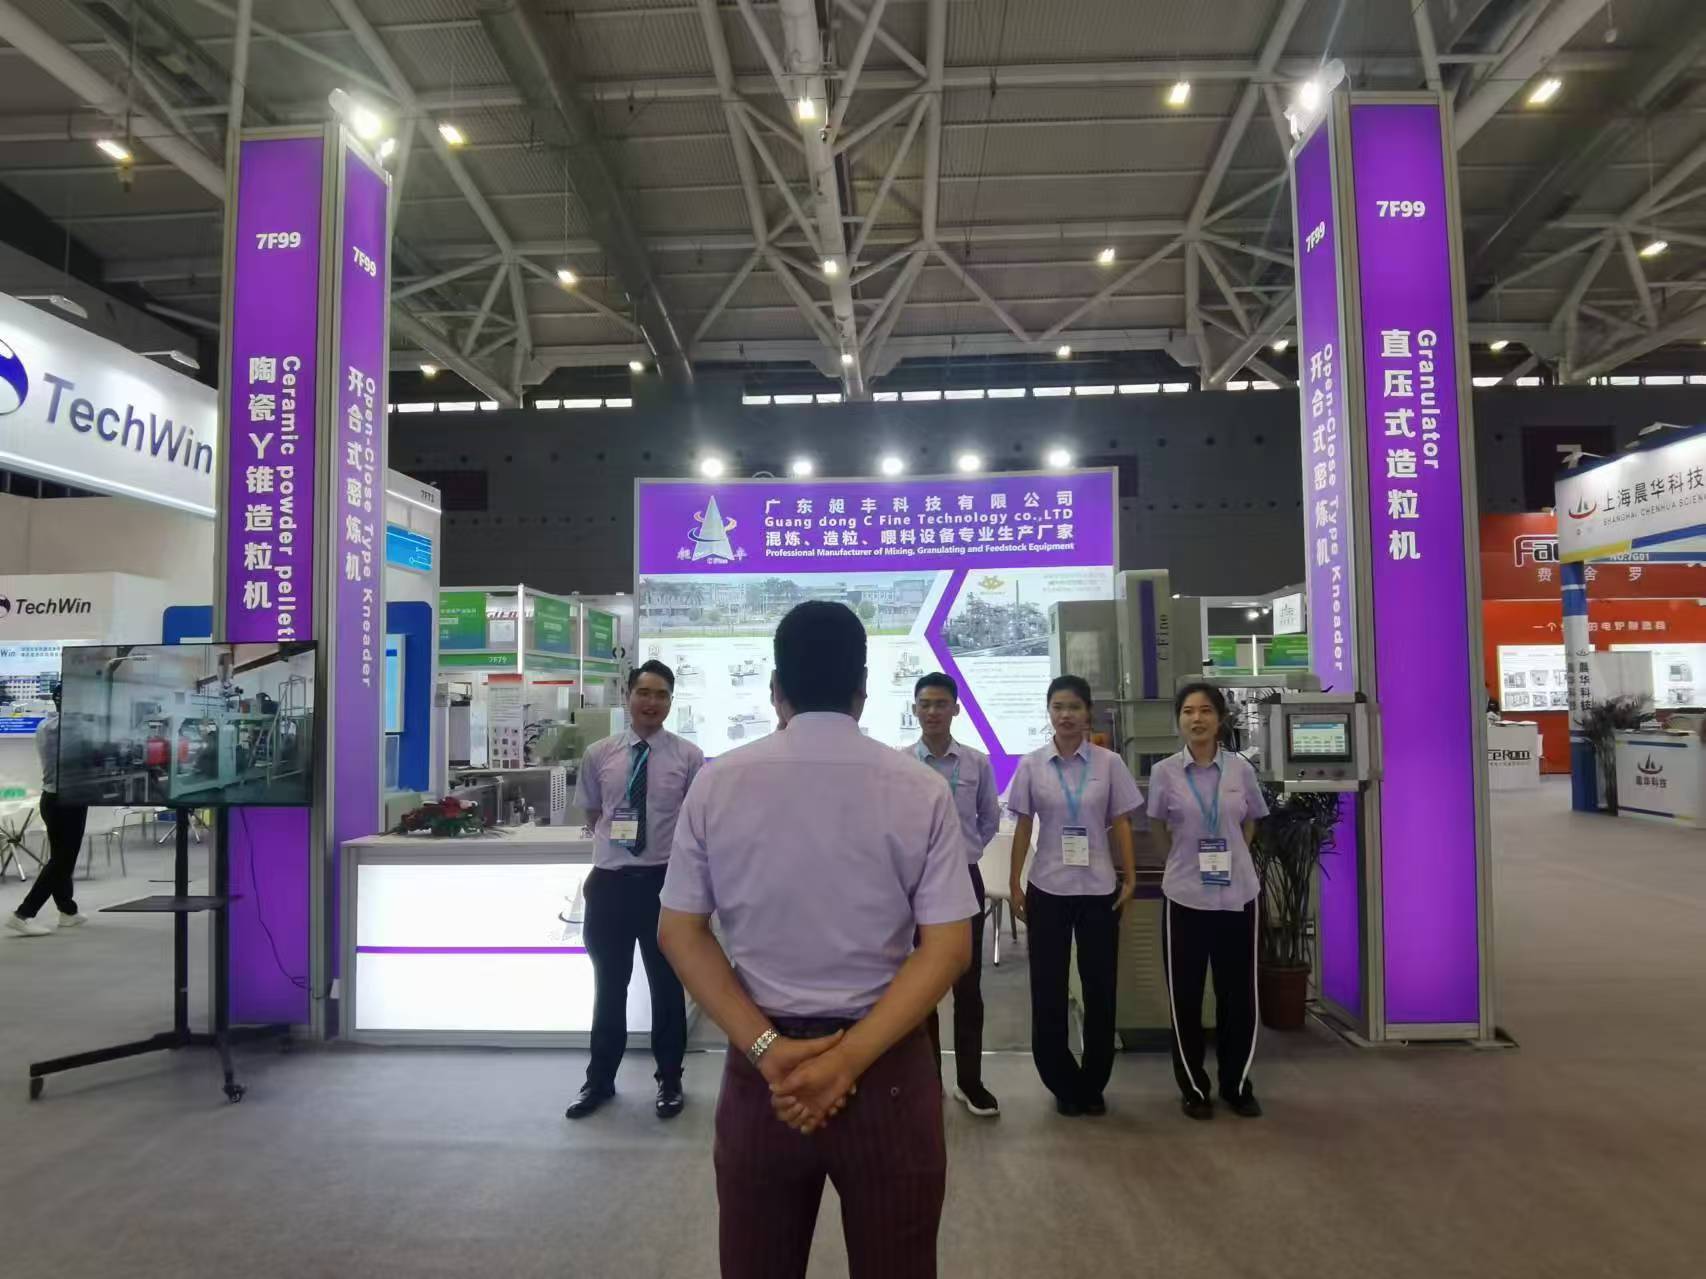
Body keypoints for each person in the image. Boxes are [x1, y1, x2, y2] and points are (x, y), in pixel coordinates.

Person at [659, 601, 976, 1279]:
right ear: (863, 687)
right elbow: (947, 947)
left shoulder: (717, 783)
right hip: (886, 1065)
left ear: (776, 687)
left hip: (764, 1071)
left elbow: (680, 930)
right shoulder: (920, 789)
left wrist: (769, 1051)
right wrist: (848, 1060)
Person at [565, 659, 704, 1121]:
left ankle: (670, 1080)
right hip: (610, 885)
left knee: (667, 987)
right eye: (644, 692)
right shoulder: (599, 753)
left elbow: (694, 823)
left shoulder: (689, 757)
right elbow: (593, 814)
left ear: (671, 702)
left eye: (661, 695)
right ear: (628, 696)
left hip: (665, 887)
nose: (652, 702)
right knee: (609, 986)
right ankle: (599, 1081)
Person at [1006, 675, 1141, 1116]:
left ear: (1088, 714)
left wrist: (1130, 877)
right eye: (1058, 707)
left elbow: (1121, 822)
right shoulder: (1032, 765)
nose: (1065, 715)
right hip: (1048, 888)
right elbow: (1023, 826)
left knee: (1100, 987)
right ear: (1049, 712)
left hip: (1099, 889)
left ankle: (1094, 1081)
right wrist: (1014, 883)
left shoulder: (1110, 763)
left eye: (1074, 707)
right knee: (1048, 988)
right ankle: (1061, 1081)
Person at [1147, 680, 1269, 1121]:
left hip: (1238, 897)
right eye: (1187, 712)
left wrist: (1234, 858)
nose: (1196, 719)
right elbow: (1157, 826)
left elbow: (1251, 821)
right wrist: (1180, 864)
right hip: (1185, 898)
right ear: (1179, 721)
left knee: (1238, 997)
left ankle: (1236, 1085)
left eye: (1205, 711)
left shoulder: (1240, 770)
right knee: (1185, 997)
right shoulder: (1164, 773)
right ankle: (1195, 1088)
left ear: (1220, 719)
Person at [903, 672, 1002, 1117]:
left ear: (956, 709)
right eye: (924, 704)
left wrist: (964, 852)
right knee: (920, 986)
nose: (932, 711)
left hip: (964, 880)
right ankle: (928, 1081)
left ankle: (970, 1082)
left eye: (941, 703)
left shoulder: (976, 763)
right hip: (916, 885)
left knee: (968, 985)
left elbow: (988, 819)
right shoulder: (901, 764)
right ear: (914, 709)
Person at [6, 684, 88, 939]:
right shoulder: (72, 729)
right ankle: (23, 914)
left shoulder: (44, 725)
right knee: (63, 861)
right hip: (68, 800)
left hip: (50, 799)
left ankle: (67, 911)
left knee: (60, 858)